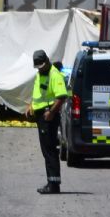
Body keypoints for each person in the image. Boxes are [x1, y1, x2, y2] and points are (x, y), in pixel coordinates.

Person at [26, 50, 68, 195]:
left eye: (41, 66)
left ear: (47, 61)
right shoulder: (41, 73)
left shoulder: (54, 75)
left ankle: (54, 184)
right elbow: (39, 93)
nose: (39, 68)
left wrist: (51, 113)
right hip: (41, 115)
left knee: (50, 151)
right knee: (47, 150)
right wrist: (31, 106)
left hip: (48, 116)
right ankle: (52, 182)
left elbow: (61, 96)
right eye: (37, 67)